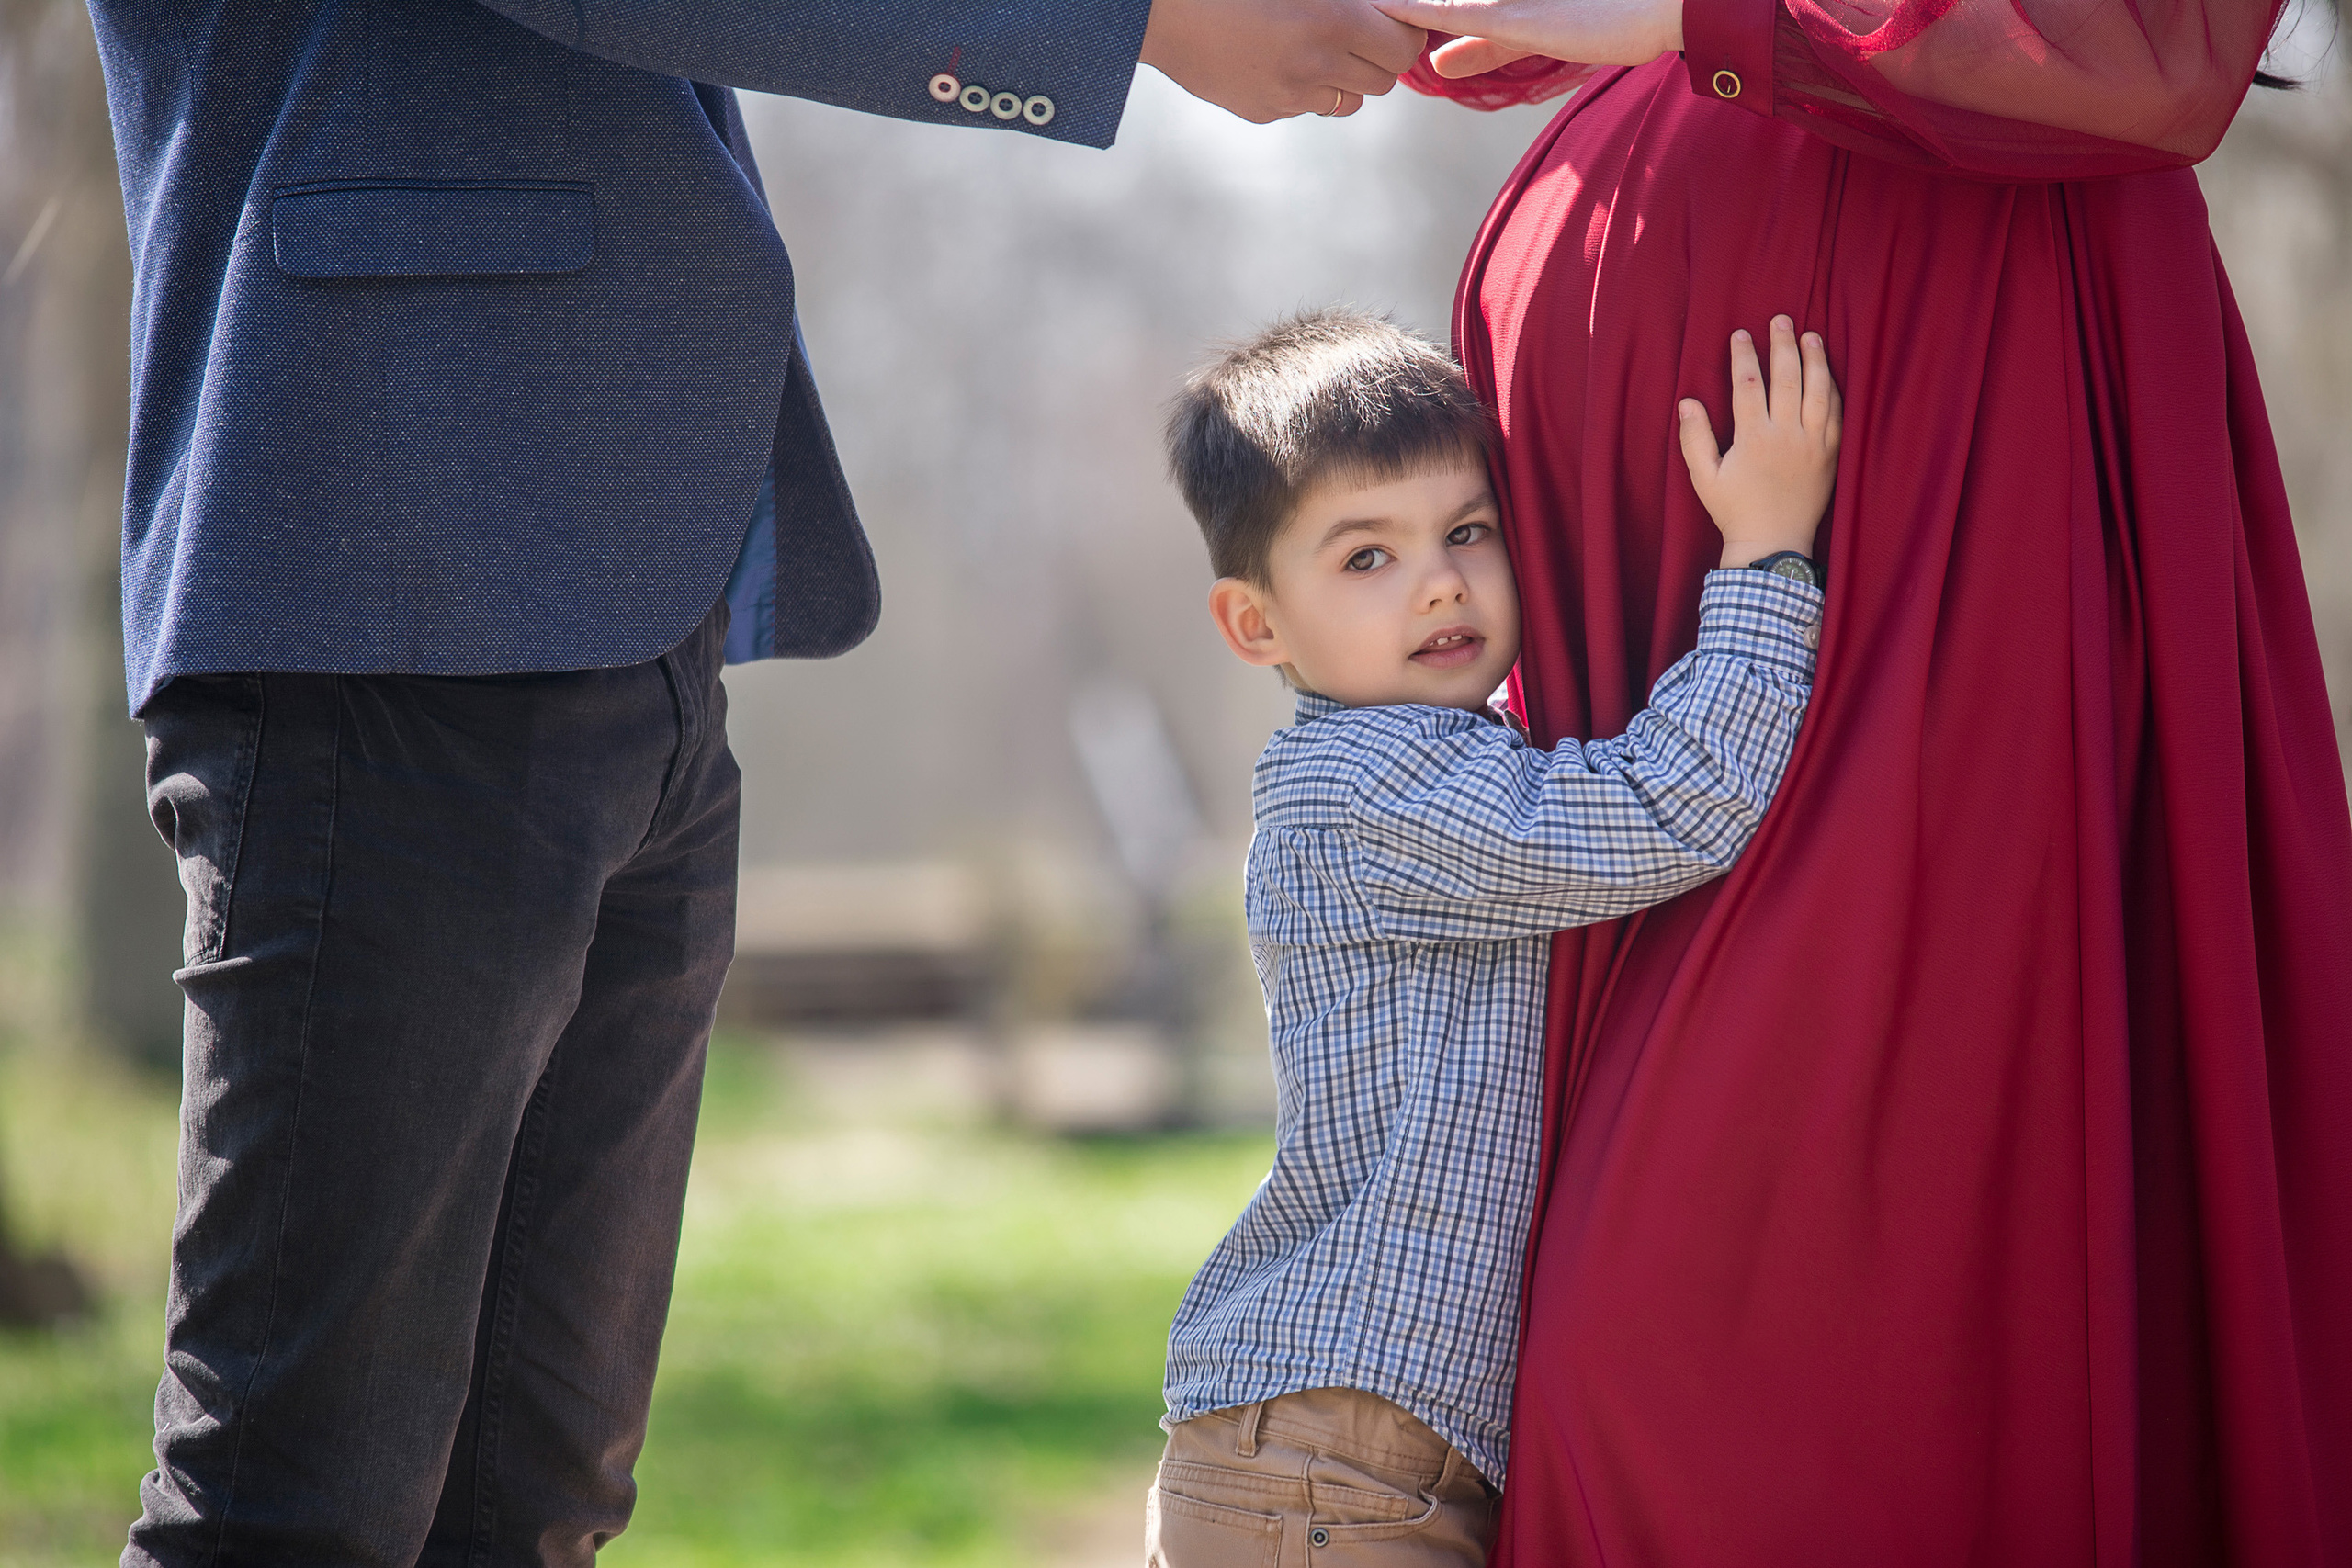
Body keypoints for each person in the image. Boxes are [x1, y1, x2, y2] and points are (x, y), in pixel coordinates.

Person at [83, 2, 1431, 1563]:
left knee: (530, 1504)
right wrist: (1130, 22)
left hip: (624, 610)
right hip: (390, 584)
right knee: (292, 1510)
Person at [1367, 0, 2352, 1561]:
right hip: (1658, 463)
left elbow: (2164, 33)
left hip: (1959, 391)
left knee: (1731, 1354)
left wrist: (1707, 14)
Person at [1146, 308, 1838, 1566]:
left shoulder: (1448, 758)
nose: (1441, 581)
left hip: (1355, 1456)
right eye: (1367, 558)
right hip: (1326, 1463)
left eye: (1468, 531)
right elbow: (1663, 807)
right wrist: (1769, 553)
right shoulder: (1365, 786)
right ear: (1258, 627)